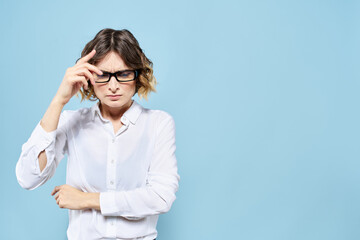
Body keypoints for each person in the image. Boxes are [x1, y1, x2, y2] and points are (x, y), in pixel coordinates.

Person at [15, 28, 180, 240]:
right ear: (90, 76)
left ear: (138, 75)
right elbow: (28, 177)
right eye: (102, 75)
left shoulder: (158, 124)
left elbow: (160, 197)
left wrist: (87, 200)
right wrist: (59, 101)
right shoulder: (72, 121)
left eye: (123, 74)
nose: (113, 86)